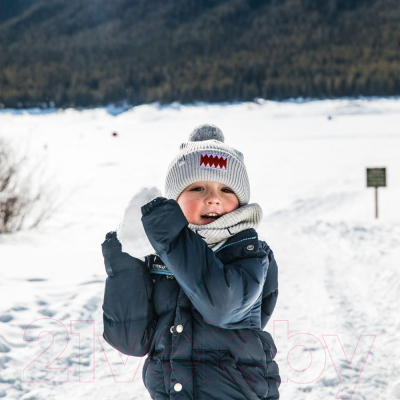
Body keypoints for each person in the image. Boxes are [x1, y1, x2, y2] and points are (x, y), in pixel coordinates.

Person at [101, 124, 281, 399]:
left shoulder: (250, 253)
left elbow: (221, 306)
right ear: (175, 200)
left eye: (226, 190)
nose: (212, 199)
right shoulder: (162, 256)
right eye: (197, 188)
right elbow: (132, 342)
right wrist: (125, 265)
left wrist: (170, 235)